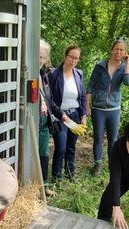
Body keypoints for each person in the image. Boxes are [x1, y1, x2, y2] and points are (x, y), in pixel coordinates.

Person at [86, 38, 129, 175]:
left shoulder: (124, 69)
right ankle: (98, 165)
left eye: (121, 50)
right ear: (112, 50)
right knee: (98, 137)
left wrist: (128, 62)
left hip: (114, 110)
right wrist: (87, 106)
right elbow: (90, 86)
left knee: (113, 139)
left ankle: (112, 165)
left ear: (125, 52)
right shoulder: (100, 66)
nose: (118, 52)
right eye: (116, 49)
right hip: (98, 109)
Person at [49, 44, 87, 181]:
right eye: (72, 57)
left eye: (77, 58)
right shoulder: (53, 74)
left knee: (71, 147)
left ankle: (70, 174)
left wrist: (84, 115)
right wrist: (62, 115)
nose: (74, 61)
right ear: (65, 56)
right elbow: (50, 100)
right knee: (61, 147)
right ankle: (57, 178)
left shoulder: (79, 74)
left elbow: (82, 96)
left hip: (75, 115)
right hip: (60, 116)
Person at [38, 39, 55, 196]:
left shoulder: (44, 76)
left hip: (43, 122)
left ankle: (43, 187)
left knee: (44, 155)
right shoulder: (25, 75)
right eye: (38, 56)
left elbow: (50, 102)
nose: (40, 60)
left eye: (43, 57)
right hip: (31, 122)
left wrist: (62, 116)